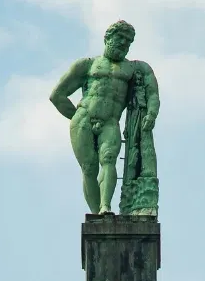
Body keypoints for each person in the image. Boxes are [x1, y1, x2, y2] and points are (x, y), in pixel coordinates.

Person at [49, 20, 160, 215]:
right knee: (89, 167)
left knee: (108, 160)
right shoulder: (88, 65)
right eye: (119, 38)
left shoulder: (134, 69)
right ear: (107, 38)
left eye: (128, 42)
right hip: (83, 118)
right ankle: (95, 213)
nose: (123, 44)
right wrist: (76, 116)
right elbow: (57, 95)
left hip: (110, 121)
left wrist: (151, 113)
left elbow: (152, 93)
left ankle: (105, 207)